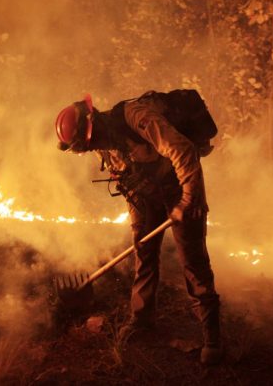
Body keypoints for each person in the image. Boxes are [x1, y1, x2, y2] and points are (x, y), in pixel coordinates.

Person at [55, 93, 222, 365]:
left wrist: (189, 199)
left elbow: (182, 149)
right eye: (84, 148)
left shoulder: (136, 117)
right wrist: (138, 225)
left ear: (93, 124)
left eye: (87, 144)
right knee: (143, 251)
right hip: (148, 194)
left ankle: (212, 337)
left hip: (181, 186)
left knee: (192, 261)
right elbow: (126, 179)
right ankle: (142, 320)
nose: (90, 148)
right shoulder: (102, 143)